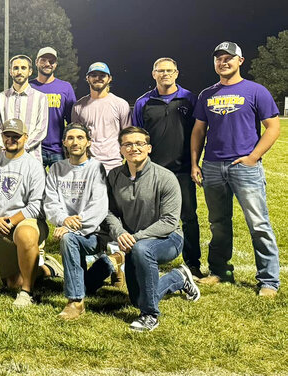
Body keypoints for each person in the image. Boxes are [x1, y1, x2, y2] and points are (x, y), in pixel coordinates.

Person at [191, 42, 281, 296]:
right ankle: (220, 271)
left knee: (258, 223)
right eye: (219, 58)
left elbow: (273, 128)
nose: (223, 62)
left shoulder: (256, 91)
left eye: (229, 58)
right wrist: (195, 163)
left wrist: (253, 157)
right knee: (218, 223)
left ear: (240, 61)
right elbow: (199, 130)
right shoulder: (207, 94)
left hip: (244, 168)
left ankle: (269, 280)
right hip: (212, 166)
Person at [107, 127, 200, 331]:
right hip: (133, 242)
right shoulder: (114, 176)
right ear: (121, 149)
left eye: (139, 143)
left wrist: (135, 237)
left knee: (143, 250)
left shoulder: (165, 177)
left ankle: (149, 315)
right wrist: (120, 233)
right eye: (128, 144)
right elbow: (109, 212)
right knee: (136, 299)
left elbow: (169, 221)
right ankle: (178, 278)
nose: (134, 148)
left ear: (149, 148)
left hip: (167, 239)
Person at [0, 119, 62, 308]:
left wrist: (11, 221)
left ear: (25, 137)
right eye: (8, 135)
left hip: (26, 222)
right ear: (2, 136)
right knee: (12, 283)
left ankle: (26, 293)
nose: (11, 139)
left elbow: (37, 204)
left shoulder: (34, 166)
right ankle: (47, 268)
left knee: (25, 234)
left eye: (16, 136)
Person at [132, 57, 202, 278]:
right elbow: (136, 137)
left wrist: (194, 164)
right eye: (160, 71)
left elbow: (197, 133)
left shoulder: (189, 99)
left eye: (169, 71)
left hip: (182, 170)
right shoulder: (143, 102)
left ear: (177, 73)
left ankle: (193, 263)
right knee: (149, 217)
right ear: (153, 74)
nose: (165, 74)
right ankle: (148, 258)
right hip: (153, 171)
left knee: (189, 216)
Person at [44, 123, 121, 319]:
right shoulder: (56, 169)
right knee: (85, 279)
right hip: (69, 229)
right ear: (64, 143)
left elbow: (99, 206)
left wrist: (72, 228)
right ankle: (112, 262)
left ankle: (75, 301)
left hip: (95, 233)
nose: (75, 142)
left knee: (68, 239)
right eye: (70, 138)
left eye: (80, 138)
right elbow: (50, 203)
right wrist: (64, 219)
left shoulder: (96, 168)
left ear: (88, 142)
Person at [71, 62, 131, 173]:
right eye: (94, 75)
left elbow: (127, 136)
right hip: (87, 165)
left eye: (102, 75)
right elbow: (76, 136)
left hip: (114, 165)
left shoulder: (121, 104)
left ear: (109, 78)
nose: (98, 78)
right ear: (87, 78)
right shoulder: (78, 107)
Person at [0, 55, 48, 163]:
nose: (19, 71)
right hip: (6, 157)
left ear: (30, 71)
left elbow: (41, 129)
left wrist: (23, 147)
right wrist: (7, 146)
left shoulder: (40, 98)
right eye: (16, 68)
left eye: (23, 68)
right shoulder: (1, 97)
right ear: (10, 71)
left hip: (31, 158)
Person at [30, 47, 77, 168]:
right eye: (43, 60)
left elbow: (72, 121)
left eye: (51, 61)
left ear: (55, 65)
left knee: (60, 186)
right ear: (36, 62)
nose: (47, 64)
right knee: (35, 187)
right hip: (34, 148)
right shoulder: (28, 87)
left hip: (58, 150)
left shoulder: (65, 87)